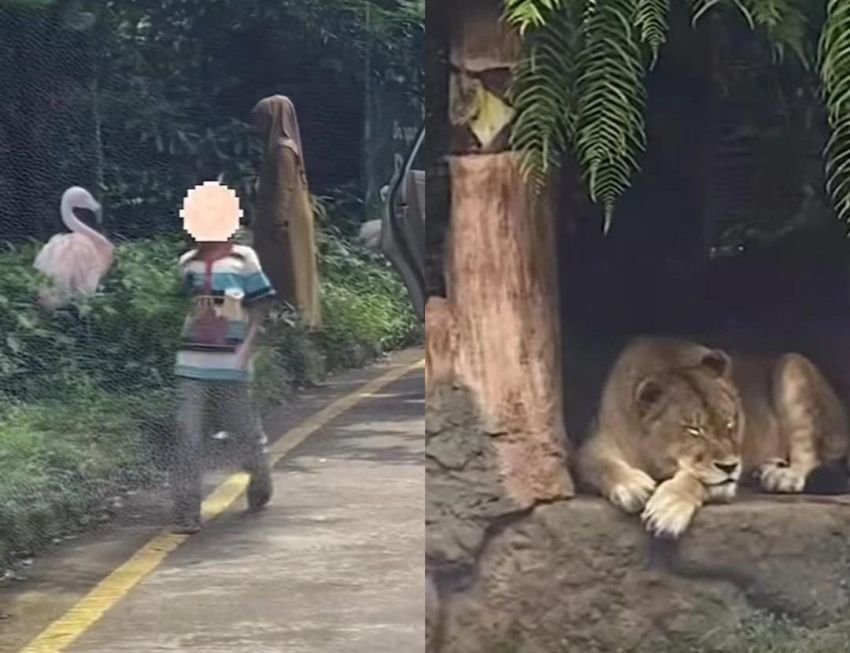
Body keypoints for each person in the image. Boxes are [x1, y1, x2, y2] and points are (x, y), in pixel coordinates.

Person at [172, 180, 276, 534]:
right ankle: (187, 510)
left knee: (244, 432)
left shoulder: (244, 260)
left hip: (231, 363)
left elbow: (261, 304)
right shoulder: (187, 264)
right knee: (187, 435)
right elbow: (178, 306)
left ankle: (260, 477)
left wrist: (248, 345)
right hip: (192, 363)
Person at [250, 95, 322, 328]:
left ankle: (291, 319)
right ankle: (292, 317)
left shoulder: (282, 149)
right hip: (289, 218)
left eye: (262, 119)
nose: (257, 126)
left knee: (286, 271)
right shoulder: (282, 147)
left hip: (285, 220)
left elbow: (283, 188)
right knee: (291, 269)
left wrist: (278, 222)